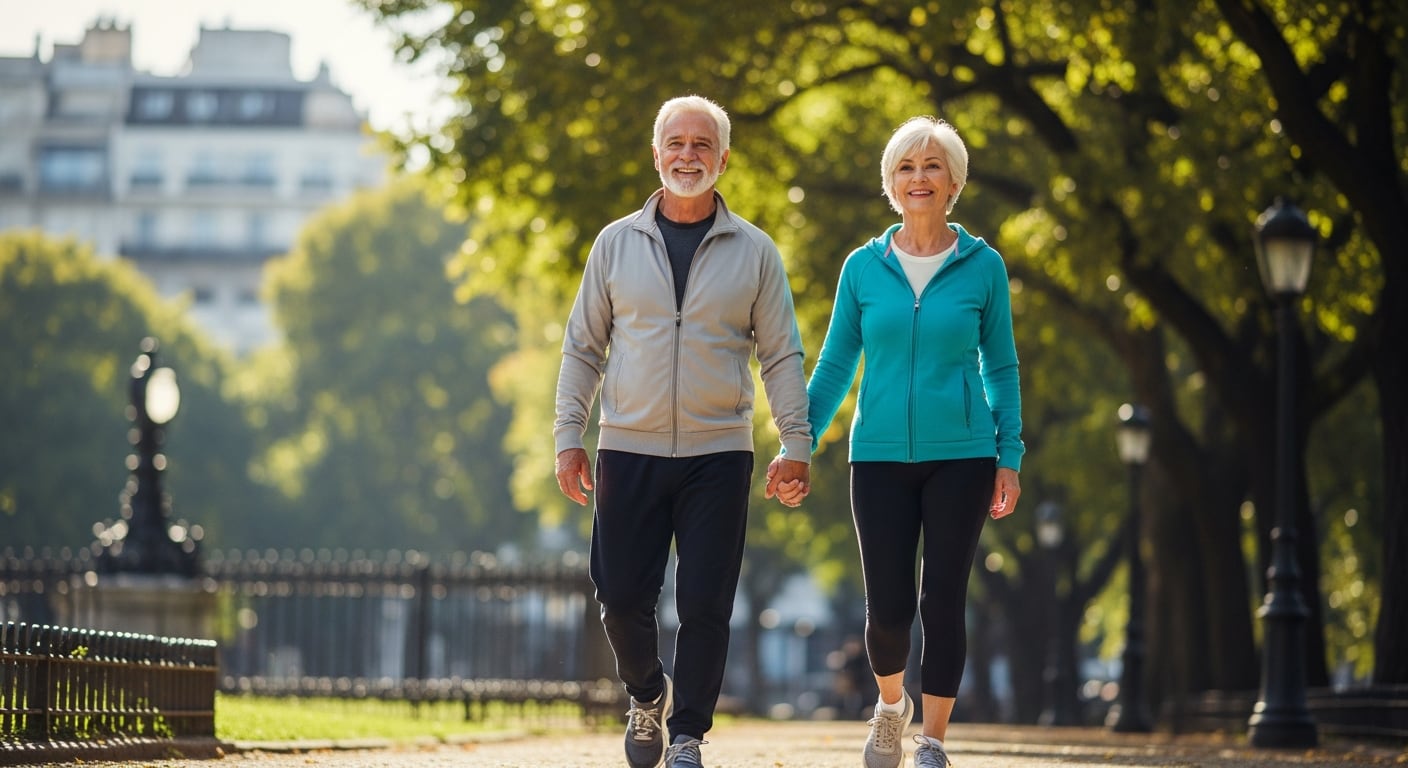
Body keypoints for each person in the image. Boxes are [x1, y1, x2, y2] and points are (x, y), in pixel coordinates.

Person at [554, 94, 813, 768]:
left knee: (705, 604)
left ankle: (689, 734)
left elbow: (781, 355)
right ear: (656, 154)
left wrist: (796, 442)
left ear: (723, 159)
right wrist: (568, 437)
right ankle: (647, 695)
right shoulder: (615, 244)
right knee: (620, 600)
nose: (688, 156)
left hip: (718, 454)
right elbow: (583, 348)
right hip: (627, 447)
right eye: (676, 143)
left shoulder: (755, 251)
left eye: (702, 145)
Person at [771, 116, 1024, 768]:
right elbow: (835, 365)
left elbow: (1000, 366)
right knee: (887, 611)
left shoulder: (984, 267)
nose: (920, 177)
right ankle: (891, 707)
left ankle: (933, 742)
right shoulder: (863, 268)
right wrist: (799, 444)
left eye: (933, 165)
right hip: (878, 456)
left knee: (942, 600)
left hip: (964, 455)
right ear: (891, 182)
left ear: (953, 182)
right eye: (907, 167)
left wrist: (1009, 456)